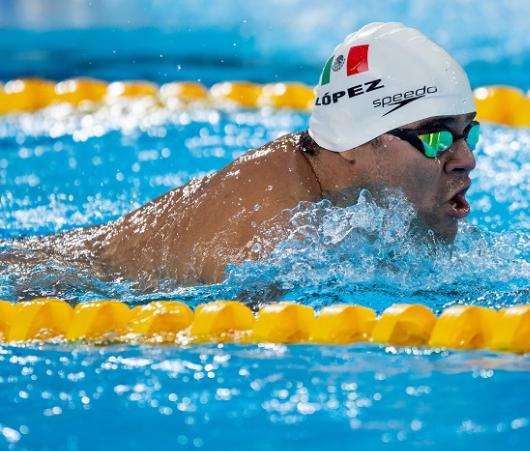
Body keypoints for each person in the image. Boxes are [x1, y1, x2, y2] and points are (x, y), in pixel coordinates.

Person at [13, 22, 479, 285]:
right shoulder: (265, 234)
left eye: (468, 135)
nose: (465, 159)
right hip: (39, 285)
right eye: (437, 137)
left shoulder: (346, 192)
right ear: (355, 144)